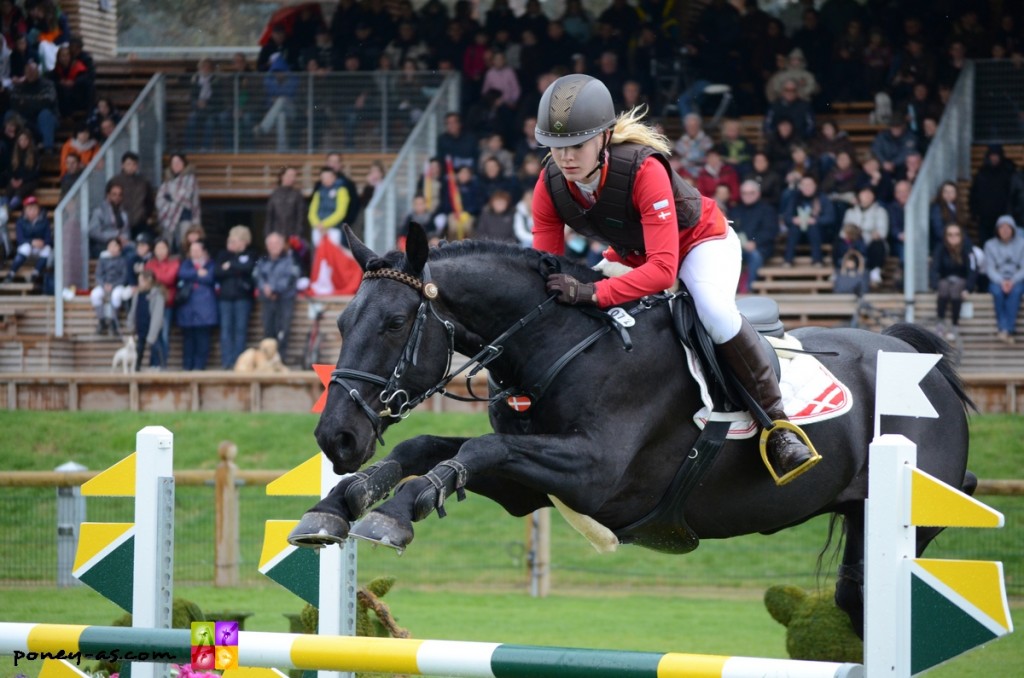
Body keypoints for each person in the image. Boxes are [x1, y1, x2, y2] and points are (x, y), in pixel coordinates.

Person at [531, 74, 815, 482]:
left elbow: (665, 271)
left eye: (576, 145)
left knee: (713, 310)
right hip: (635, 253)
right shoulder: (551, 185)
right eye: (556, 148)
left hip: (700, 245)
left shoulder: (643, 169)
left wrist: (592, 293)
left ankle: (779, 426)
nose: (565, 158)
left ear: (605, 138)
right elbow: (547, 266)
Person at [214, 225, 256, 370]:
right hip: (225, 298)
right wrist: (236, 267)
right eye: (230, 240)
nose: (231, 243)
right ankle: (227, 361)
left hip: (242, 298)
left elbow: (249, 268)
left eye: (235, 241)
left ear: (243, 242)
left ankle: (239, 362)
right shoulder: (222, 255)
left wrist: (231, 265)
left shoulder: (250, 254)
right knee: (226, 330)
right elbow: (218, 272)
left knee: (240, 330)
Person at [255, 231, 300, 365]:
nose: (273, 246)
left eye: (276, 243)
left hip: (284, 299)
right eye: (271, 243)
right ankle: (268, 362)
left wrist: (274, 289)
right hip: (267, 300)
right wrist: (265, 288)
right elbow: (257, 276)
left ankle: (281, 361)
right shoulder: (262, 260)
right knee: (268, 330)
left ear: (282, 245)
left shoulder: (290, 259)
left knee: (283, 330)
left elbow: (290, 277)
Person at [929, 223, 976, 342]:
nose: (953, 237)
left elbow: (972, 269)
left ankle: (955, 324)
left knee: (955, 289)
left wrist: (968, 288)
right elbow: (934, 267)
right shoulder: (940, 248)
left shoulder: (967, 248)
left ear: (961, 236)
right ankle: (940, 323)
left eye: (956, 234)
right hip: (946, 279)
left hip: (961, 280)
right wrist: (934, 286)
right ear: (945, 236)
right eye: (950, 235)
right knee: (943, 286)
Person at [176, 239, 218, 370]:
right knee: (188, 341)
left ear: (203, 251)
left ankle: (199, 367)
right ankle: (187, 367)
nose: (194, 253)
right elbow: (181, 274)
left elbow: (209, 277)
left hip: (205, 309)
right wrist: (197, 273)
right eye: (192, 250)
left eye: (197, 250)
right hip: (187, 309)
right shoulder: (186, 264)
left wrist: (192, 276)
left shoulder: (210, 264)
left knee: (202, 341)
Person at [729, 180, 779, 291]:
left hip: (761, 247)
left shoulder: (767, 210)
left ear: (758, 193)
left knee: (754, 256)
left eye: (751, 193)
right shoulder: (736, 210)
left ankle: (746, 289)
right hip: (737, 247)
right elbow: (730, 230)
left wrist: (755, 242)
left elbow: (771, 231)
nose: (747, 196)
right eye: (744, 193)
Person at [983, 215, 1024, 345]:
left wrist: (1012, 281)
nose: (1005, 230)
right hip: (997, 280)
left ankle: (1005, 329)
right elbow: (989, 268)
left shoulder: (1022, 243)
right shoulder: (989, 245)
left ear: (1013, 229)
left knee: (1016, 293)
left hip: (1016, 279)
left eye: (1008, 227)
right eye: (1002, 227)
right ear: (997, 229)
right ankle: (1006, 330)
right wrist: (1002, 281)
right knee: (997, 293)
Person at [782, 175, 834, 267]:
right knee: (794, 228)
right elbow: (787, 217)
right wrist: (794, 220)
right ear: (800, 187)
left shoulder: (822, 198)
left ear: (815, 186)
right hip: (798, 234)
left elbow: (830, 218)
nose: (807, 187)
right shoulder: (795, 198)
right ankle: (788, 260)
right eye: (804, 185)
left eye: (809, 185)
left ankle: (817, 260)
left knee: (813, 227)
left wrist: (815, 220)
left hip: (819, 234)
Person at [156, 153, 201, 254]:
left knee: (185, 245)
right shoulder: (166, 182)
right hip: (168, 218)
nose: (176, 165)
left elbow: (188, 197)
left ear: (184, 164)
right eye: (173, 162)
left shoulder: (191, 179)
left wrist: (170, 197)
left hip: (186, 216)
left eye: (179, 162)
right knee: (168, 244)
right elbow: (159, 201)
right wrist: (174, 201)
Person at [145, 238, 179, 368]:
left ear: (168, 249)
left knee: (164, 334)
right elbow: (147, 279)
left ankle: (162, 363)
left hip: (167, 304)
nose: (160, 251)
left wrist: (155, 278)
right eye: (157, 248)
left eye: (163, 248)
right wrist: (157, 278)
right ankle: (153, 363)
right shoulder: (150, 263)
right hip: (152, 303)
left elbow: (170, 278)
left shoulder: (173, 262)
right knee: (153, 333)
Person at [125, 269, 166, 370]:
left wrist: (152, 333)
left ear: (149, 281)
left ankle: (160, 366)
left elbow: (157, 315)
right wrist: (131, 325)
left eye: (142, 280)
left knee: (156, 348)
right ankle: (136, 368)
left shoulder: (157, 295)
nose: (139, 283)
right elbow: (133, 311)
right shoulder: (138, 294)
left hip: (152, 327)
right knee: (139, 349)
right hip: (140, 327)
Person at [4, 194, 49, 284]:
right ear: (24, 211)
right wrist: (32, 242)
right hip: (24, 254)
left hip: (39, 254)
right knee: (26, 247)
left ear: (38, 210)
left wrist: (42, 242)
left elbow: (49, 240)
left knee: (48, 249)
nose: (32, 211)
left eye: (34, 208)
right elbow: (20, 240)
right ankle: (11, 273)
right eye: (29, 209)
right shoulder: (20, 221)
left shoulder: (44, 221)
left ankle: (35, 274)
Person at [90, 237, 131, 335]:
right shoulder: (103, 259)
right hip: (104, 284)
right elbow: (98, 274)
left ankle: (113, 321)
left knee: (116, 296)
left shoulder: (123, 260)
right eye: (110, 246)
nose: (112, 248)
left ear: (119, 247)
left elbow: (124, 276)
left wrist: (114, 285)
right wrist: (103, 284)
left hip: (118, 285)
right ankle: (102, 320)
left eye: (115, 246)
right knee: (95, 295)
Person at [111, 151, 156, 240]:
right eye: (128, 164)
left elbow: (150, 201)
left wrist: (149, 217)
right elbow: (110, 201)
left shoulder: (143, 182)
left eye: (134, 164)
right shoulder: (115, 181)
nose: (131, 167)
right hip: (120, 224)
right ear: (122, 165)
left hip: (140, 222)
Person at [87, 180, 131, 258]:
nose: (117, 197)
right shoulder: (99, 211)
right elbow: (93, 232)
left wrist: (123, 239)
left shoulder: (123, 213)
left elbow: (126, 231)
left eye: (119, 195)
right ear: (108, 195)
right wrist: (114, 236)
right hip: (102, 245)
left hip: (121, 245)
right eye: (114, 194)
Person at [265, 166, 307, 240]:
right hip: (277, 234)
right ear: (282, 176)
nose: (292, 178)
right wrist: (268, 234)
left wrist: (298, 234)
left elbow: (300, 217)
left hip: (292, 235)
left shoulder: (297, 194)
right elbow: (270, 217)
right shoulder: (275, 194)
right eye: (289, 175)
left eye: (294, 176)